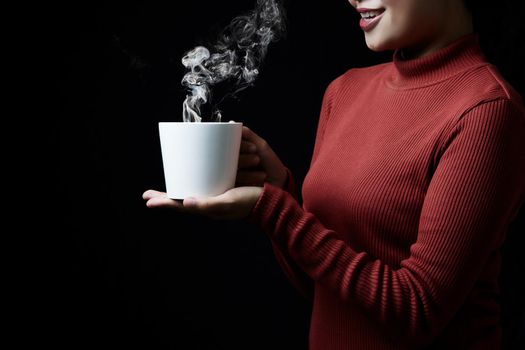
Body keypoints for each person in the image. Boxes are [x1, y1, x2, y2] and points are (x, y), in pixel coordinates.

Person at [143, 0, 525, 348]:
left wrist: (275, 210)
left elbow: (417, 311)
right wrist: (280, 192)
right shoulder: (344, 91)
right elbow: (327, 290)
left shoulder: (485, 109)